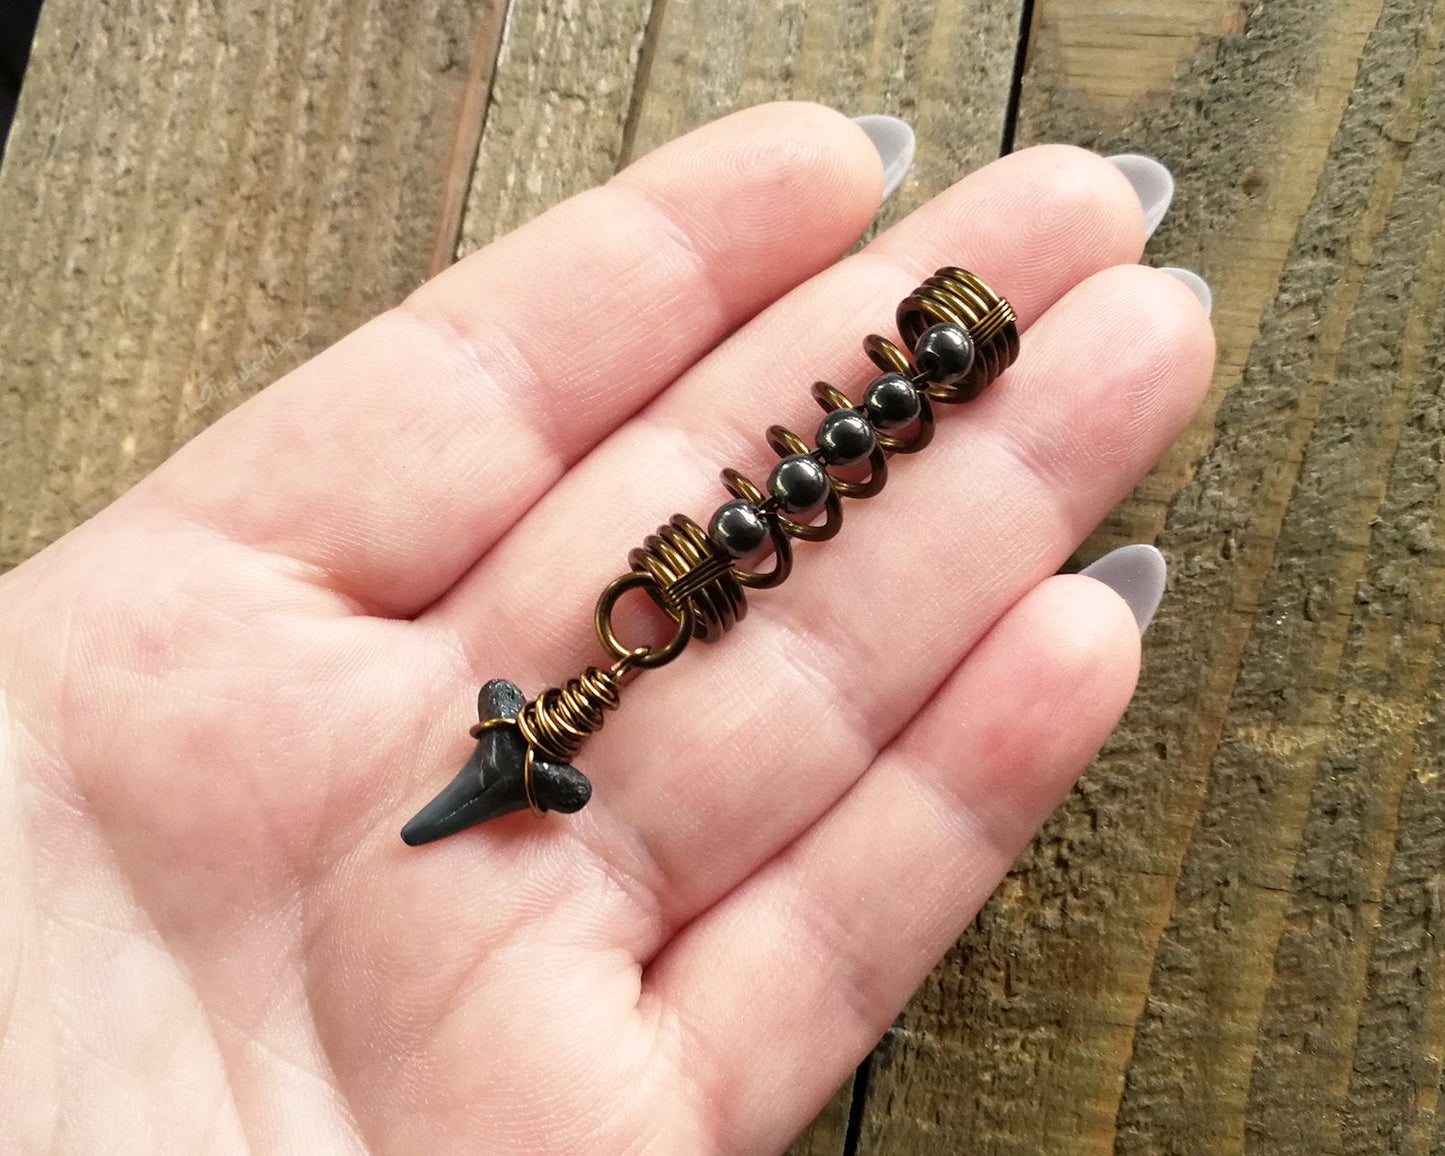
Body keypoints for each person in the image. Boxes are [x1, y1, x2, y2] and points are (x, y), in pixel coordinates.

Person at [0, 103, 1214, 1153]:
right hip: (606, 671)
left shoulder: (637, 635)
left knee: (788, 500)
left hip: (643, 636)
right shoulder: (577, 694)